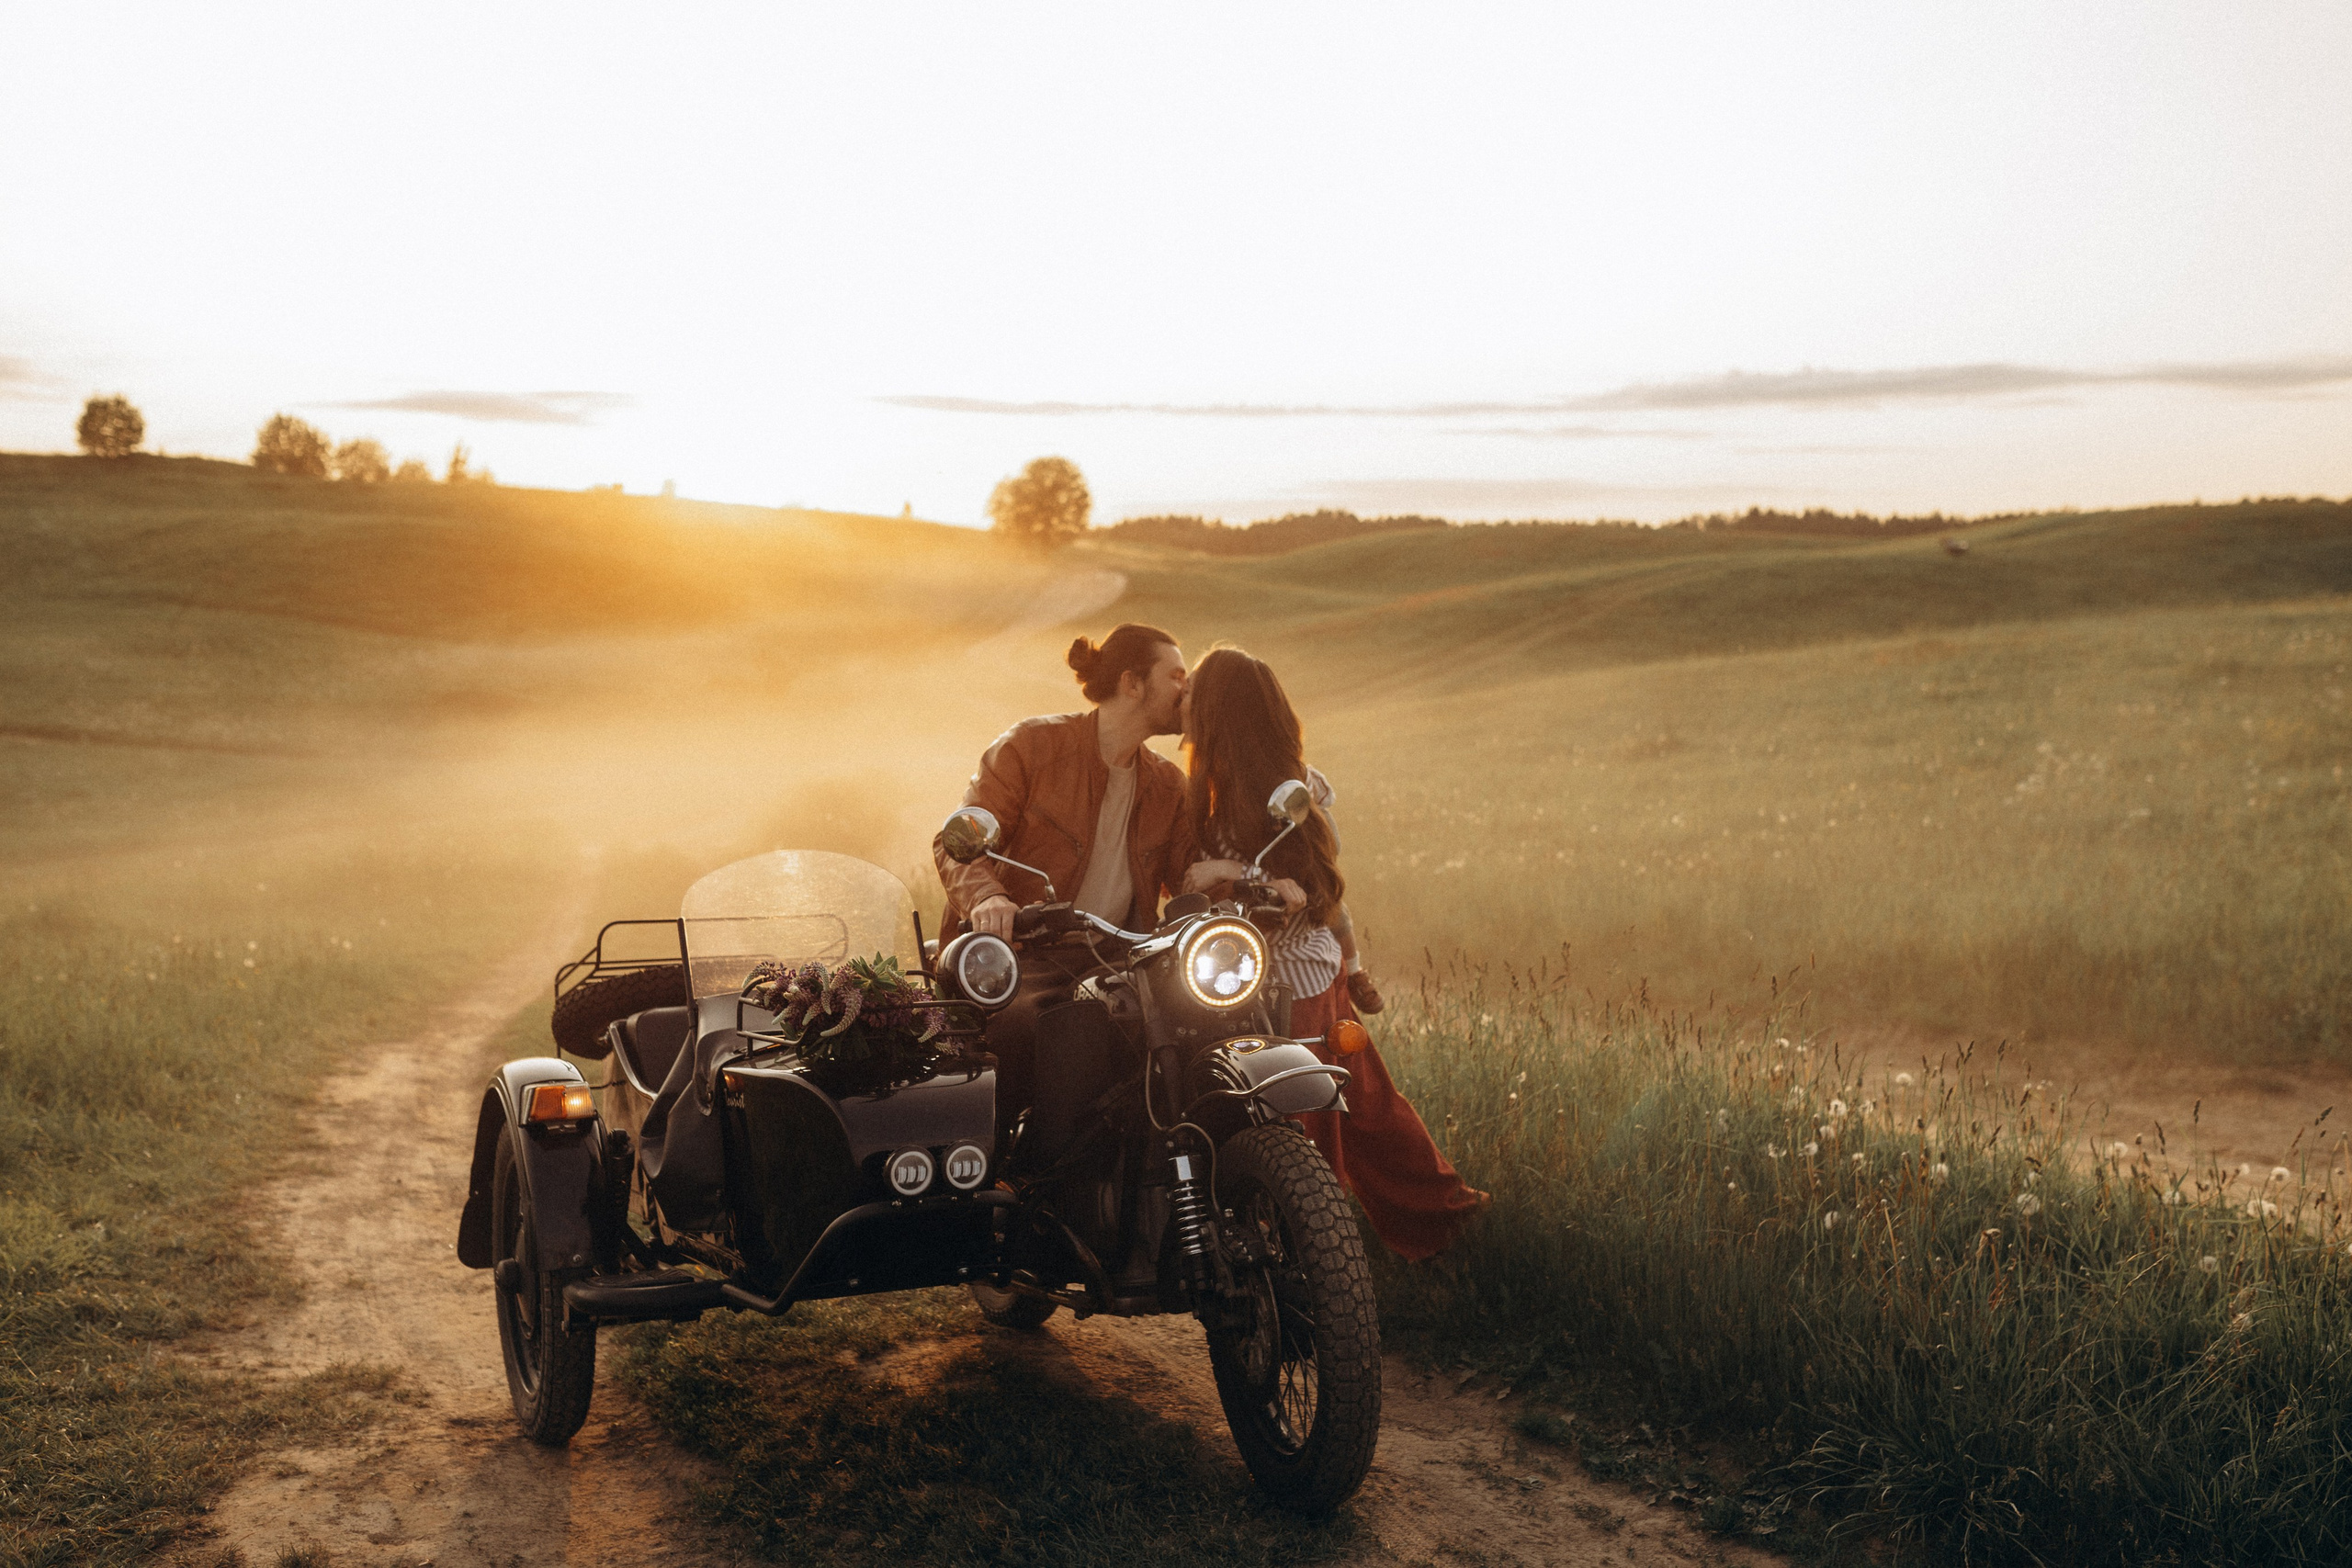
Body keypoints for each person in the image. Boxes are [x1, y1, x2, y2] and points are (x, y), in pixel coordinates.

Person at [1177, 647, 1487, 1261]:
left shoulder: (1275, 799)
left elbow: (1309, 890)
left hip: (1293, 985)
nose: (1182, 702)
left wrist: (1225, 872)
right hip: (1285, 975)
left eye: (1192, 694)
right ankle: (1442, 1218)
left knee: (1312, 1122)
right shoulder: (1242, 789)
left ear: (1217, 713)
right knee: (1362, 1106)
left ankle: (1319, 1257)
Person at [933, 623, 1196, 1131]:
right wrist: (987, 898)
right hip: (1026, 955)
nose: (1185, 690)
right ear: (1132, 683)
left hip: (1117, 959)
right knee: (1025, 1027)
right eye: (1176, 676)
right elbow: (955, 841)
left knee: (1191, 1022)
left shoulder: (1169, 785)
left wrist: (1231, 875)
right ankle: (1016, 1157)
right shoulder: (1032, 747)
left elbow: (1190, 879)